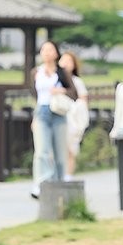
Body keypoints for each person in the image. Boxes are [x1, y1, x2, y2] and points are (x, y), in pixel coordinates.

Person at [31, 40, 77, 196]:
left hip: (58, 113)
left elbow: (74, 93)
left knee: (59, 151)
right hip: (42, 112)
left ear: (56, 53)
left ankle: (59, 181)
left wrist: (61, 90)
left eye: (50, 50)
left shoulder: (62, 72)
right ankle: (41, 182)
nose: (47, 53)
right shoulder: (36, 72)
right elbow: (34, 95)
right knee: (42, 149)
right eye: (44, 50)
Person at [59, 51, 90, 180]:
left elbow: (83, 100)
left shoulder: (77, 82)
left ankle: (68, 175)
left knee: (70, 150)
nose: (65, 63)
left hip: (72, 119)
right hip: (58, 117)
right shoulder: (55, 80)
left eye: (69, 61)